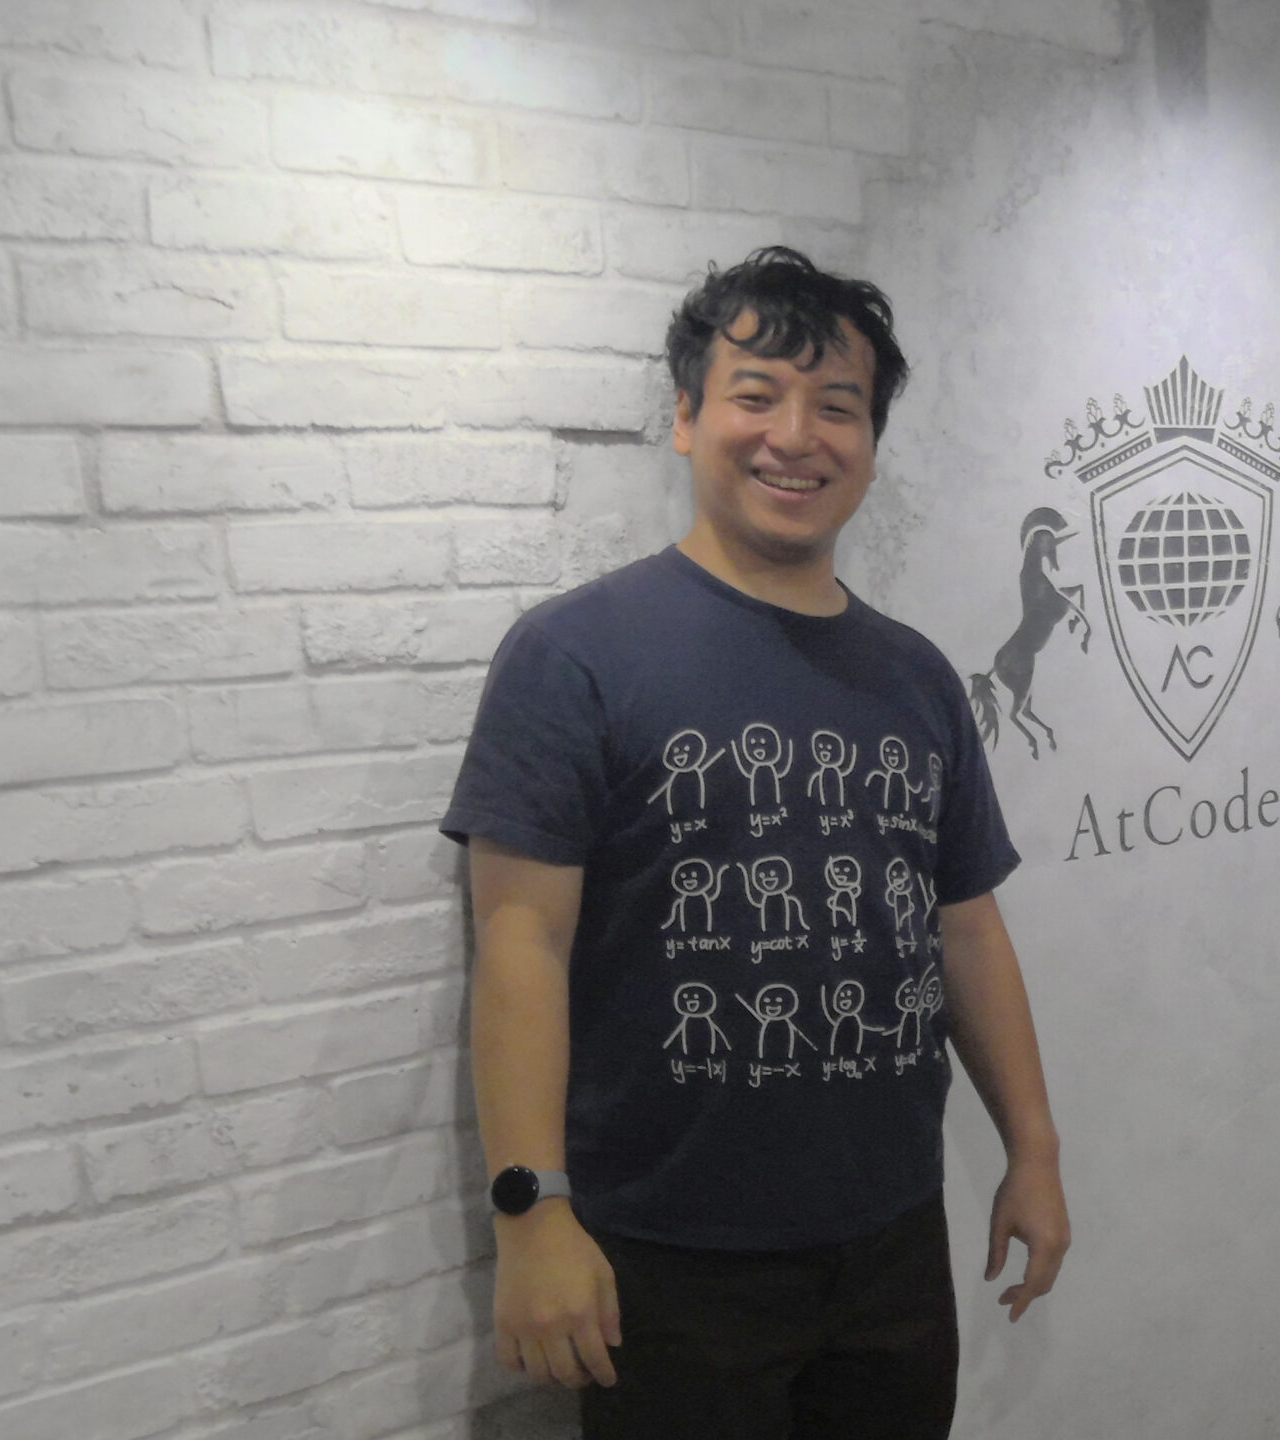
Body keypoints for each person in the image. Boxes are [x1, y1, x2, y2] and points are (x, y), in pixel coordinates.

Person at [440, 246, 1070, 1440]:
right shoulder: (575, 655)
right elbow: (520, 942)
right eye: (756, 394)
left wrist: (1031, 1152)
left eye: (836, 406)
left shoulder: (916, 676)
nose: (796, 435)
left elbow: (965, 930)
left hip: (891, 1236)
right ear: (686, 418)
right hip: (667, 1256)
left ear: (869, 443)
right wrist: (530, 1211)